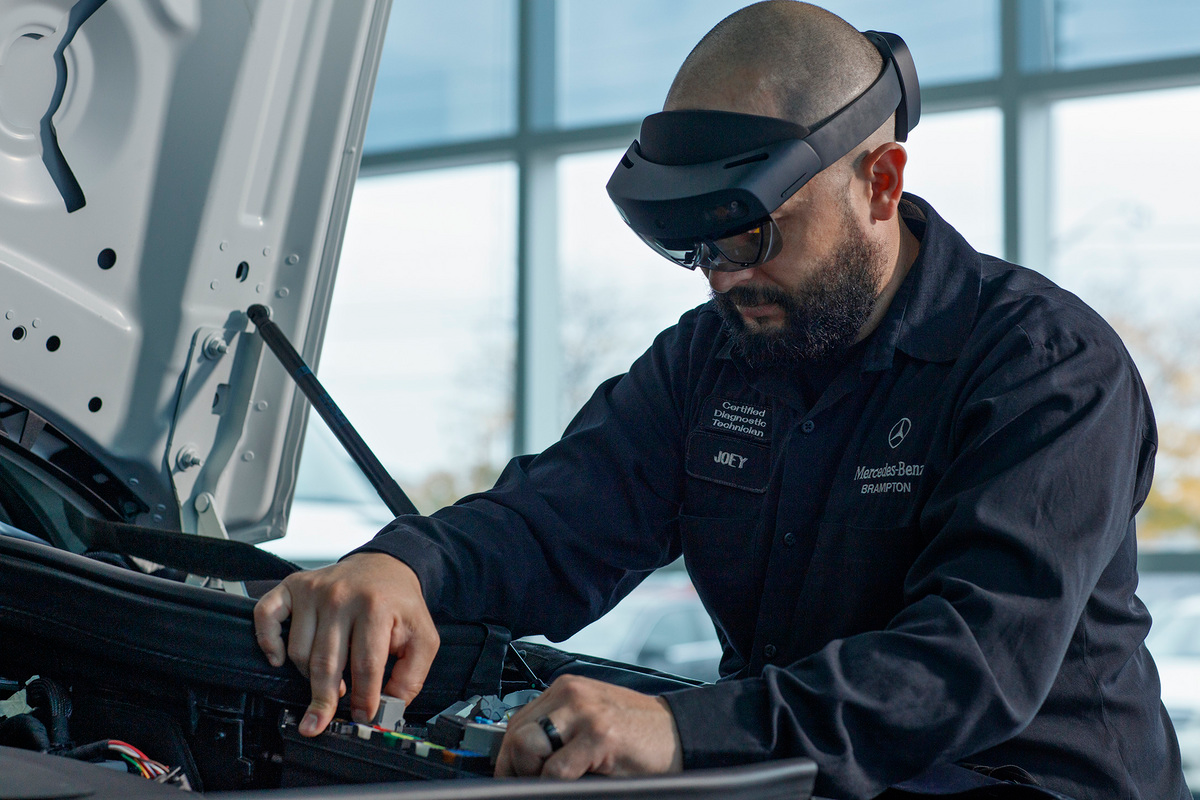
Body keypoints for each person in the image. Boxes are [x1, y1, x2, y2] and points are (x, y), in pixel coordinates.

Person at [253, 3, 1188, 798]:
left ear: (881, 182)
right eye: (696, 252)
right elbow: (555, 521)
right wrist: (404, 569)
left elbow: (969, 663)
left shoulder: (1047, 367)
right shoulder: (719, 356)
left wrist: (684, 732)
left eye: (752, 237)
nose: (723, 281)